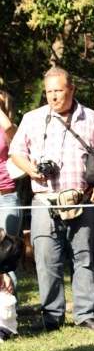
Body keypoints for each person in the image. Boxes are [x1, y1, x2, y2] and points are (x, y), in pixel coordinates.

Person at [9, 67, 94, 332]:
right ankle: (51, 316)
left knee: (84, 258)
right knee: (46, 259)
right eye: (49, 91)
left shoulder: (92, 118)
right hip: (45, 200)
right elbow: (16, 151)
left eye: (58, 90)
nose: (53, 96)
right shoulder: (33, 118)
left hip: (83, 198)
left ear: (71, 89)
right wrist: (31, 169)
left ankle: (84, 314)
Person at [0, 91, 22, 293]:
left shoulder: (11, 130)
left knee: (7, 255)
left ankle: (9, 313)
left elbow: (9, 129)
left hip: (5, 197)